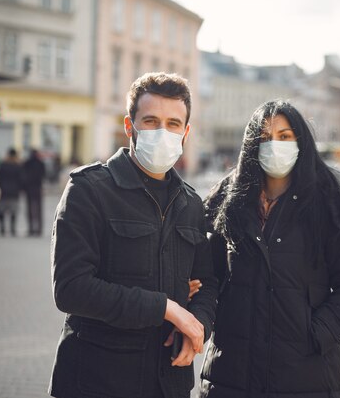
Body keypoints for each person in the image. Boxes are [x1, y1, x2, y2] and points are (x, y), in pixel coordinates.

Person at [49, 72, 218, 398]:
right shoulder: (90, 190)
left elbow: (207, 281)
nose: (163, 132)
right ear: (130, 127)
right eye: (151, 121)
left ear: (186, 132)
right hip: (97, 379)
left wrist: (197, 324)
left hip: (168, 380)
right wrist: (168, 308)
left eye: (173, 124)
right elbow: (71, 289)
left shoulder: (191, 203)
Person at [199, 100, 340, 398]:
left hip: (306, 375)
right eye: (264, 138)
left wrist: (317, 335)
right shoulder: (228, 200)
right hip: (232, 372)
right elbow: (209, 277)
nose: (273, 145)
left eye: (284, 136)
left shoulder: (328, 203)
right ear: (251, 145)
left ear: (299, 141)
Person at [0, 148, 23, 236]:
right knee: (13, 212)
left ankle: (2, 229)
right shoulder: (17, 165)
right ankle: (12, 229)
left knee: (2, 212)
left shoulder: (3, 164)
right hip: (14, 192)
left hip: (3, 191)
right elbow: (21, 179)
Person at [22, 148, 46, 236]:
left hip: (29, 188)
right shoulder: (40, 163)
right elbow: (43, 174)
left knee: (29, 209)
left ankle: (31, 229)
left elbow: (23, 175)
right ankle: (39, 229)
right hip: (38, 188)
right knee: (39, 209)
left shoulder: (26, 163)